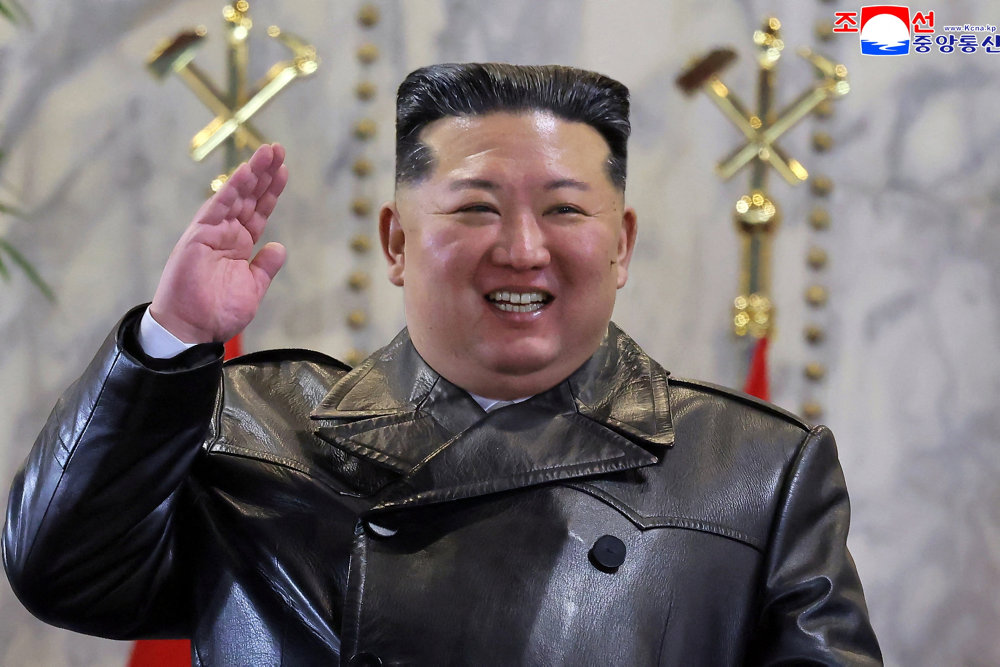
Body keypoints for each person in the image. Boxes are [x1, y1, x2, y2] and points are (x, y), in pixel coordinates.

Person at [4, 63, 882, 665]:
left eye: (565, 210)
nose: (523, 249)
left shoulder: (753, 470)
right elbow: (62, 572)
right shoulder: (253, 426)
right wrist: (171, 336)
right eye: (476, 208)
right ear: (396, 240)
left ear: (621, 243)